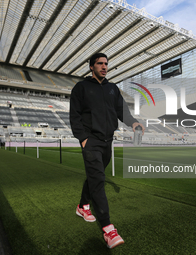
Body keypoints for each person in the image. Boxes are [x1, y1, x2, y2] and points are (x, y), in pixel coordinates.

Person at [70, 53, 145, 249]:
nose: (104, 67)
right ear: (91, 67)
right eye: (100, 64)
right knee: (98, 180)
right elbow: (74, 115)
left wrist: (134, 122)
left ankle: (82, 206)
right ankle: (108, 228)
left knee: (96, 177)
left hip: (107, 141)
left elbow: (122, 112)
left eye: (106, 64)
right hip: (91, 141)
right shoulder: (81, 88)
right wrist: (83, 139)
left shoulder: (113, 89)